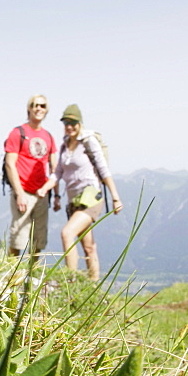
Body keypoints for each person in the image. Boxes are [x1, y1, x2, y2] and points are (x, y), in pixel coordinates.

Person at [53, 104, 123, 280]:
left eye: (73, 122)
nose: (69, 126)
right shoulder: (64, 145)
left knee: (67, 233)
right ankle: (94, 284)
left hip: (91, 198)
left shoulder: (88, 141)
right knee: (89, 246)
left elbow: (103, 169)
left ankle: (71, 281)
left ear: (80, 123)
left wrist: (115, 197)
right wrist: (53, 195)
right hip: (74, 201)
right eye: (66, 122)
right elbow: (57, 174)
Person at [4, 95, 57, 256]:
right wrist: (19, 193)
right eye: (35, 105)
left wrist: (57, 196)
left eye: (42, 106)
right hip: (23, 191)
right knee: (18, 239)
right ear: (29, 109)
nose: (38, 108)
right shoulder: (17, 133)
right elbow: (10, 164)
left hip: (42, 194)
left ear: (46, 110)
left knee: (38, 241)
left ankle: (33, 278)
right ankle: (10, 275)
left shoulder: (48, 136)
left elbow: (55, 168)